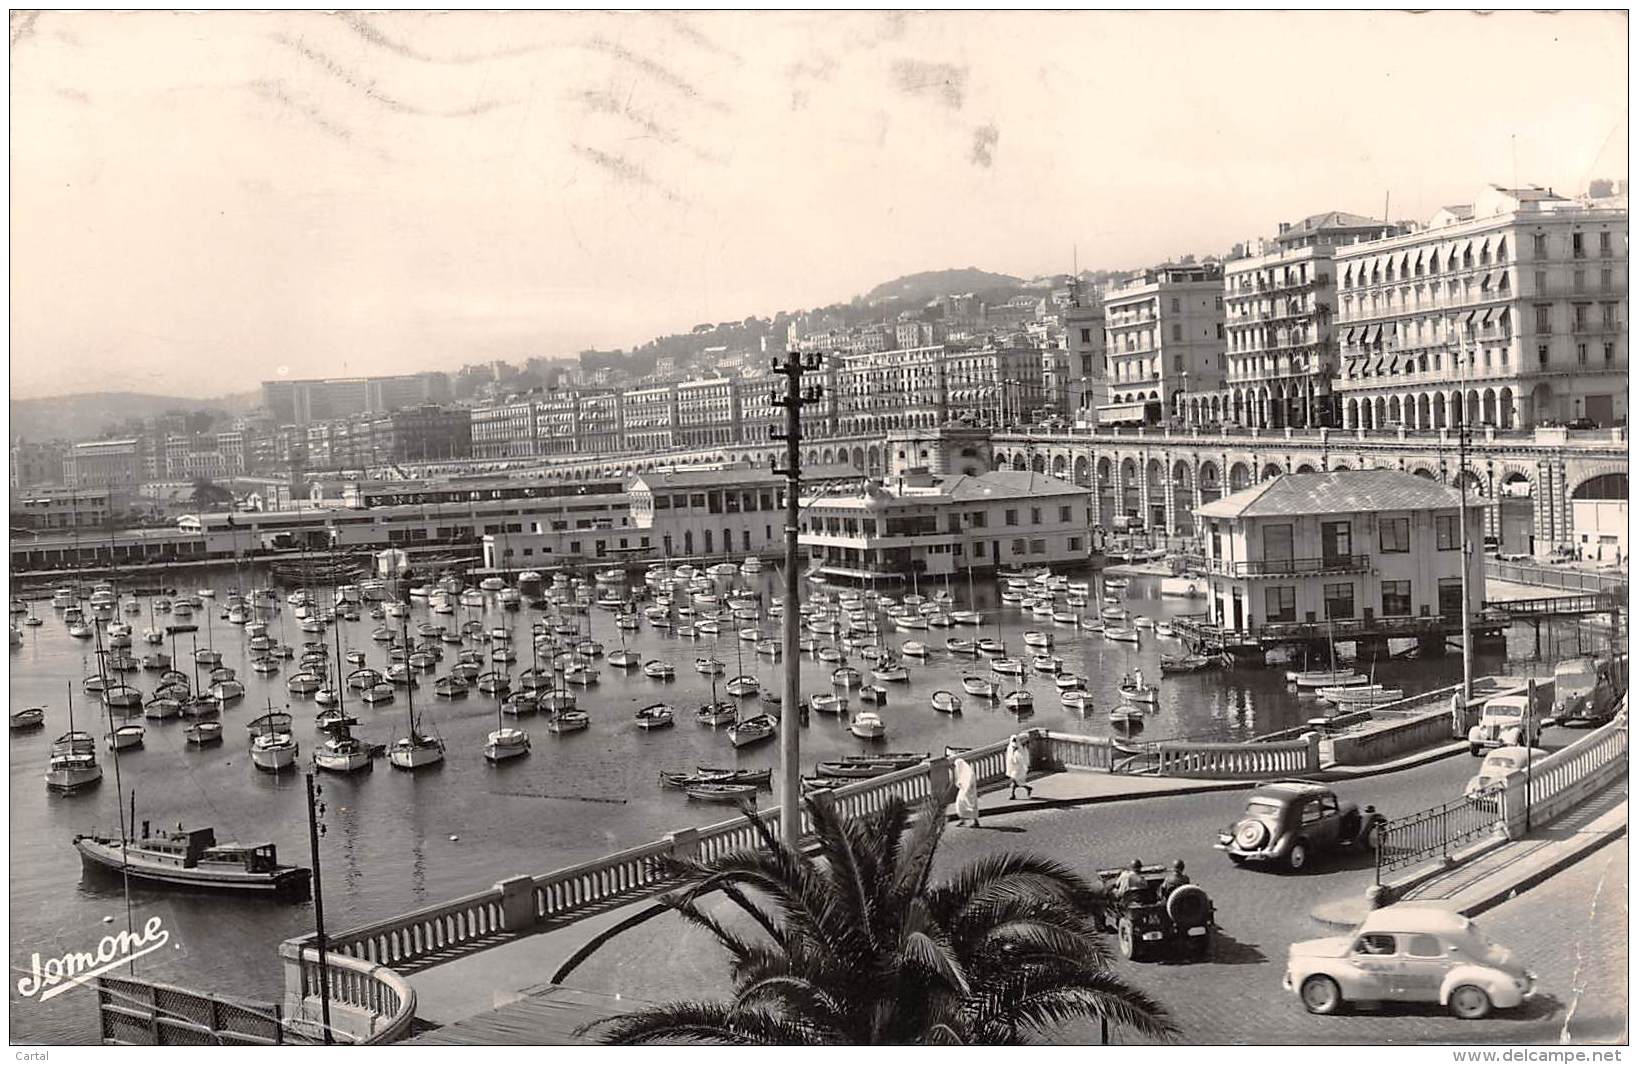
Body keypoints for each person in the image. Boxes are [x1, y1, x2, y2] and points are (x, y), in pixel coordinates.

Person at [953, 757, 980, 828]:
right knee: (959, 804)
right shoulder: (962, 772)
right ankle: (962, 820)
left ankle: (975, 821)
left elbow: (970, 783)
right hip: (963, 791)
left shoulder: (969, 773)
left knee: (971, 806)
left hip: (969, 793)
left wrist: (966, 787)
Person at [1005, 734, 1032, 800]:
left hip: (1019, 769)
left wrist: (1026, 767)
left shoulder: (1021, 749)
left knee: (1014, 781)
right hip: (1013, 768)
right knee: (1016, 782)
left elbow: (1024, 759)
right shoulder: (1010, 748)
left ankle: (1013, 794)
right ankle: (1027, 788)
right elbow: (1008, 758)